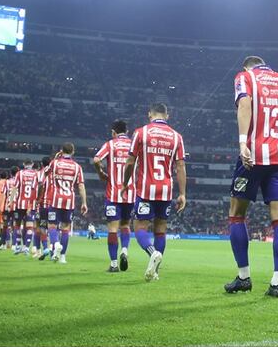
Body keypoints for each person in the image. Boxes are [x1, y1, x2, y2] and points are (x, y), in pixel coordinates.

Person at [223, 56, 278, 299]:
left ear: (246, 67)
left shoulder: (245, 77)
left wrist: (243, 143)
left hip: (252, 155)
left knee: (237, 213)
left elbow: (244, 105)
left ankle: (244, 277)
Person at [121, 103, 187, 283]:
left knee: (140, 227)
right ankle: (155, 272)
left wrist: (125, 183)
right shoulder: (176, 137)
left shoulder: (141, 133)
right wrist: (182, 193)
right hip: (165, 189)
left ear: (149, 113)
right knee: (160, 230)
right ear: (168, 115)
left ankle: (153, 253)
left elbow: (129, 162)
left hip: (145, 188)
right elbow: (180, 166)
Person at [93, 119, 136, 272]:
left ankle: (113, 264)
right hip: (130, 194)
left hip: (113, 195)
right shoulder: (133, 144)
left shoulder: (111, 144)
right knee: (125, 225)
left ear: (113, 132)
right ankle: (124, 250)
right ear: (127, 131)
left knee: (112, 229)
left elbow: (96, 159)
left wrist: (101, 173)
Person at [46, 144, 88, 264]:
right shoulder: (77, 167)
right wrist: (84, 202)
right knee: (65, 228)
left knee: (52, 226)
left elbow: (44, 173)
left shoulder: (55, 163)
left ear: (61, 151)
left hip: (55, 199)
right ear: (73, 152)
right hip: (69, 200)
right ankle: (63, 257)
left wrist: (55, 158)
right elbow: (81, 186)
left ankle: (56, 244)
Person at [11, 160, 41, 256]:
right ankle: (27, 248)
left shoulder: (19, 173)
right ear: (32, 165)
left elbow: (15, 188)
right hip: (30, 204)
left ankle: (18, 246)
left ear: (24, 165)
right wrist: (35, 202)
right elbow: (36, 189)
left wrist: (10, 201)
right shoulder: (36, 174)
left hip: (19, 205)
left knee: (17, 225)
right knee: (29, 227)